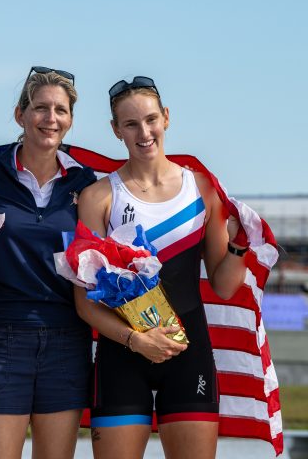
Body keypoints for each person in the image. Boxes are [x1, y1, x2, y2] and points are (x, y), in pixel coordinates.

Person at [74, 76, 248, 459]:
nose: (144, 132)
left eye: (151, 119)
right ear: (115, 129)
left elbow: (223, 286)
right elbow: (85, 304)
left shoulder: (201, 188)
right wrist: (137, 341)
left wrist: (239, 245)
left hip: (191, 354)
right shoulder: (98, 197)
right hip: (122, 355)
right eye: (131, 123)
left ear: (166, 118)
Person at [0, 67, 97, 459]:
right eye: (40, 108)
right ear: (20, 115)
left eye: (61, 111)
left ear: (70, 120)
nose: (51, 119)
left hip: (67, 339)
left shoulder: (85, 182)